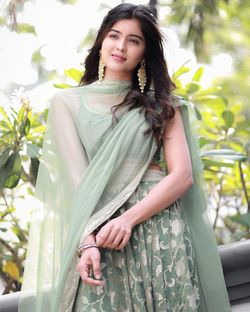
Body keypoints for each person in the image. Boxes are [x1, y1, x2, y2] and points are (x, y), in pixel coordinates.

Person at [18, 3, 231, 312]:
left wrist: (129, 219)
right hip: (102, 231)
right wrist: (86, 242)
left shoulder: (163, 105)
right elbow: (80, 184)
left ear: (145, 52)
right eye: (114, 36)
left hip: (160, 227)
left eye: (134, 40)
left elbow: (182, 175)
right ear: (101, 40)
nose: (121, 46)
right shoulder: (66, 103)